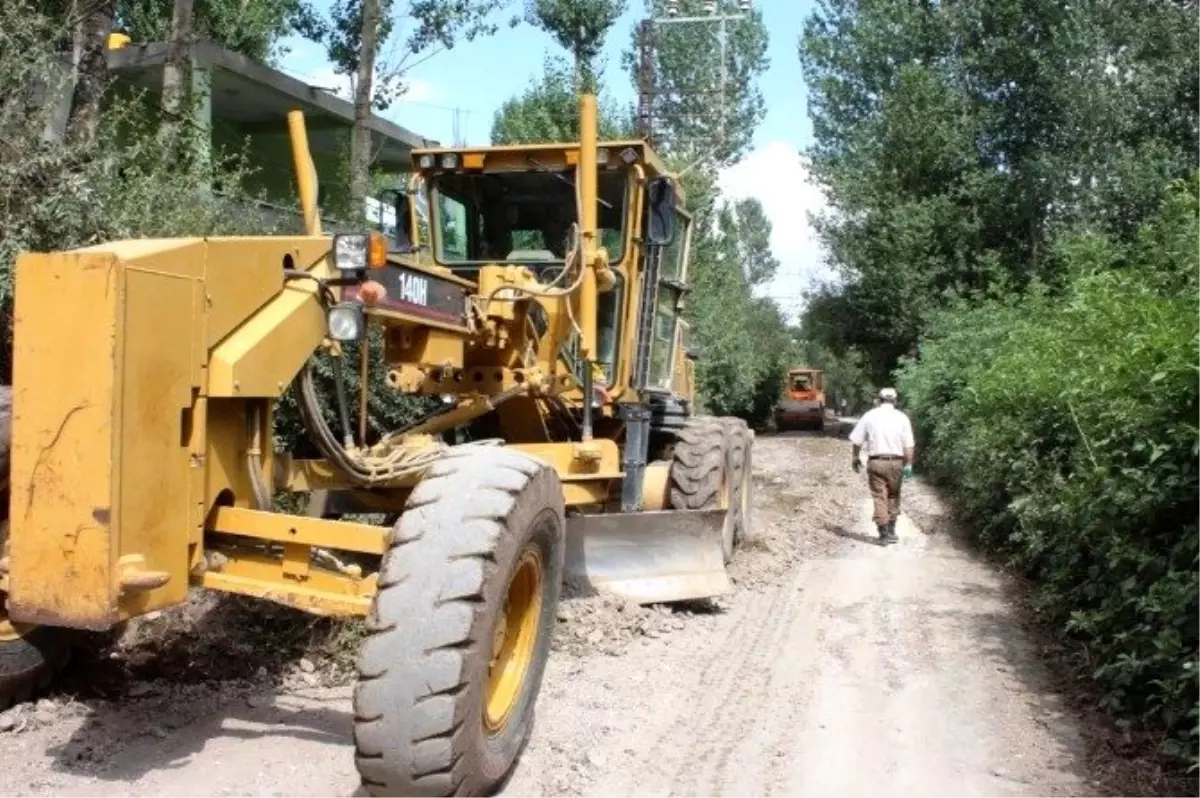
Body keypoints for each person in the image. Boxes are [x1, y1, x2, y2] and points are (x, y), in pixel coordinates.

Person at [848, 387, 915, 545]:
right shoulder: (902, 418)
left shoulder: (870, 416)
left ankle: (883, 533)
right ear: (895, 400)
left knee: (879, 496)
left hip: (876, 462)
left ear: (879, 399)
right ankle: (891, 530)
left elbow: (857, 440)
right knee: (893, 495)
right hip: (896, 462)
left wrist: (855, 457)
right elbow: (909, 445)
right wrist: (909, 464)